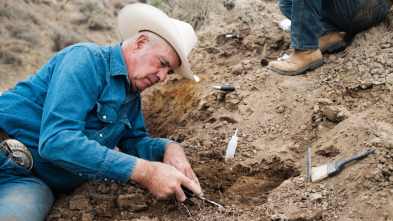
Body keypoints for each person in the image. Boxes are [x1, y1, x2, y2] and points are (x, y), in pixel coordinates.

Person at [0, 3, 203, 220]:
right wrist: (146, 172)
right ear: (140, 44)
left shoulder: (132, 98)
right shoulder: (85, 60)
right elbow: (57, 141)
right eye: (162, 64)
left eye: (169, 72)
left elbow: (135, 143)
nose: (162, 77)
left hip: (30, 181)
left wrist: (170, 148)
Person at [268, 0, 392, 76]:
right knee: (287, 2)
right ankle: (326, 34)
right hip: (357, 9)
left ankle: (305, 50)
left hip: (370, 5)